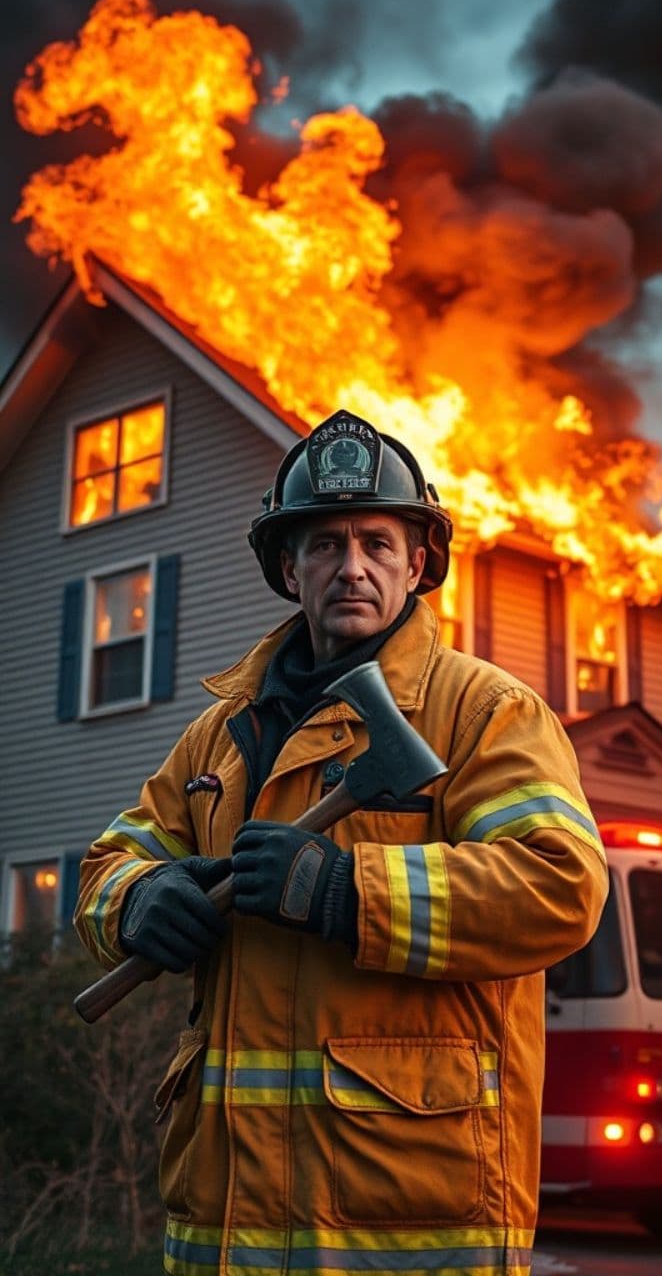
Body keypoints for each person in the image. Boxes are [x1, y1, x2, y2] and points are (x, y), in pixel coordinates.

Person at [74, 408, 608, 1276]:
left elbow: (557, 889)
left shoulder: (484, 713)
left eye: (376, 543)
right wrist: (137, 901)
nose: (350, 567)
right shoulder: (221, 734)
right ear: (289, 567)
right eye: (323, 545)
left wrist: (346, 891)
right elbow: (108, 862)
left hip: (406, 1228)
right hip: (221, 1232)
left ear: (417, 563)